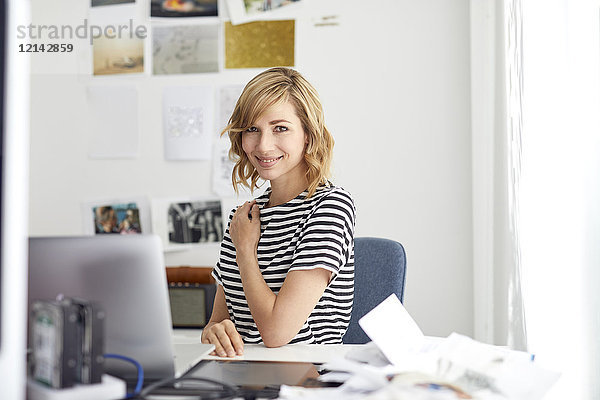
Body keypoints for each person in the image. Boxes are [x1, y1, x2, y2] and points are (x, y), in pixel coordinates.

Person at [201, 67, 356, 357]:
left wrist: (245, 251)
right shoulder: (243, 217)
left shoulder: (331, 206)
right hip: (240, 375)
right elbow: (218, 322)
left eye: (280, 128)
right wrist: (213, 332)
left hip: (304, 380)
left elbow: (275, 333)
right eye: (252, 129)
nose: (263, 145)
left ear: (308, 135)